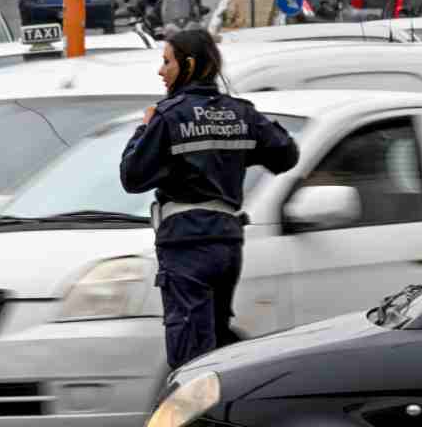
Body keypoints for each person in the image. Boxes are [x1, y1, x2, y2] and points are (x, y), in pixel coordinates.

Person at [120, 30, 299, 369]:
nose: (161, 71)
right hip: (228, 242)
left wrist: (143, 129)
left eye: (166, 61)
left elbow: (132, 176)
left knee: (190, 355)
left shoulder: (168, 115)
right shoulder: (241, 113)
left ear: (188, 65)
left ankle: (193, 415)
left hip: (187, 242)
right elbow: (286, 154)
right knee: (216, 345)